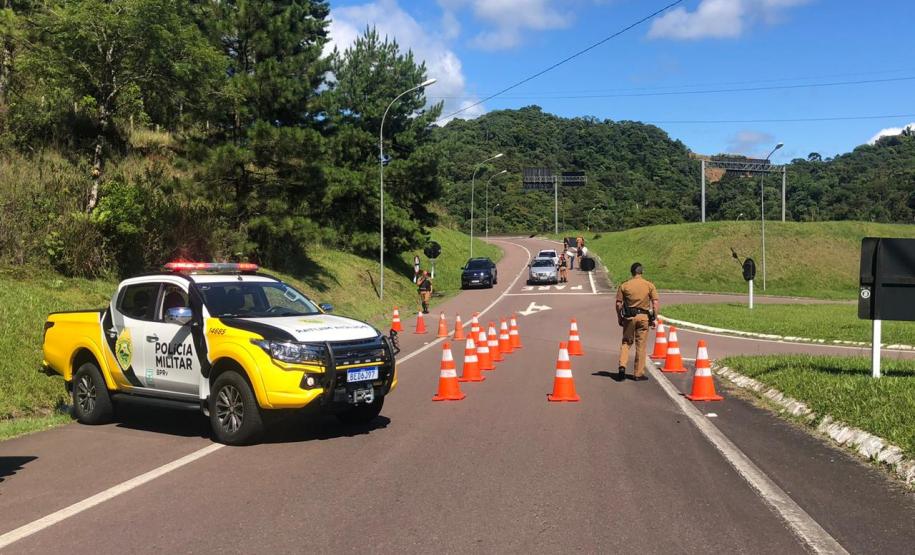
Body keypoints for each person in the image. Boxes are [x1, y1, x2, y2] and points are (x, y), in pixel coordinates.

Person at [615, 262, 659, 381]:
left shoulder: (624, 285)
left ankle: (622, 367)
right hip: (644, 317)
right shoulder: (649, 285)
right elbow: (655, 302)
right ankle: (638, 373)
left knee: (626, 342)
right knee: (641, 345)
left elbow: (618, 304)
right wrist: (654, 317)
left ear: (632, 272)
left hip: (629, 318)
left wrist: (620, 317)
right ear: (642, 272)